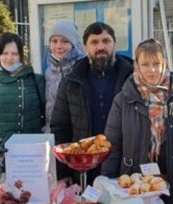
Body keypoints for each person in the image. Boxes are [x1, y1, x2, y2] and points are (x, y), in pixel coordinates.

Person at [102, 39, 173, 204]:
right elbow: (112, 145)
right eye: (145, 64)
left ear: (164, 63)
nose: (151, 70)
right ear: (136, 65)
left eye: (156, 63)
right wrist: (107, 182)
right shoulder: (123, 99)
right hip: (136, 185)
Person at [51, 22, 133, 181]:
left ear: (114, 44)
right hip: (85, 168)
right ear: (85, 47)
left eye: (106, 41)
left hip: (125, 165)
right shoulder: (72, 82)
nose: (101, 47)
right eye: (94, 42)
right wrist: (63, 173)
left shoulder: (132, 77)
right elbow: (60, 128)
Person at [0, 33, 45, 143]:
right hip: (4, 150)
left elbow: (48, 116)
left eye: (14, 54)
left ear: (20, 55)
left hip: (34, 148)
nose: (9, 58)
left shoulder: (36, 80)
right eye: (5, 53)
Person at [44, 20, 85, 132]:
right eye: (54, 41)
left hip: (75, 136)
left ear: (73, 44)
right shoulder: (49, 72)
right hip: (52, 133)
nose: (59, 46)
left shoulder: (82, 69)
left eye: (65, 41)